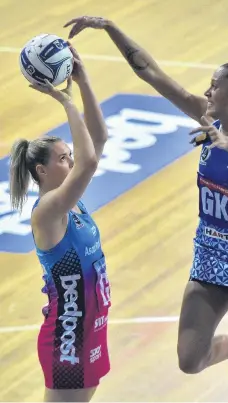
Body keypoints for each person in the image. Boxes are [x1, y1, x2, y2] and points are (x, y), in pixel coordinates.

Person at [64, 17, 228, 384]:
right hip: (211, 253)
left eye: (215, 87)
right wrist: (108, 27)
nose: (207, 92)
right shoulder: (205, 114)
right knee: (190, 360)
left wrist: (226, 143)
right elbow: (151, 72)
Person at [10, 46, 110, 402]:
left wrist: (83, 83)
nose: (71, 161)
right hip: (68, 334)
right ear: (41, 171)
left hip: (91, 325)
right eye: (63, 159)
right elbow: (89, 161)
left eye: (70, 156)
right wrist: (66, 102)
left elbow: (97, 140)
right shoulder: (49, 210)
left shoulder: (73, 202)